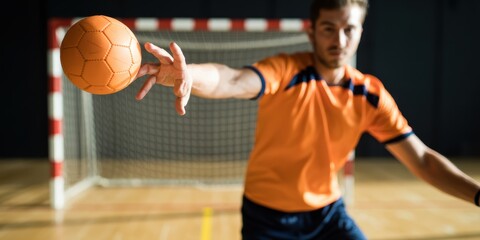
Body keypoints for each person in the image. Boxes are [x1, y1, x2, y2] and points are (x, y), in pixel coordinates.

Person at [133, 0, 480, 239]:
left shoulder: (369, 94)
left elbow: (422, 160)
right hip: (266, 217)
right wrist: (189, 74)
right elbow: (232, 80)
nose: (339, 40)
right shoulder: (286, 70)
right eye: (329, 28)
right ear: (311, 30)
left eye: (349, 29)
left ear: (361, 31)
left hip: (328, 214)